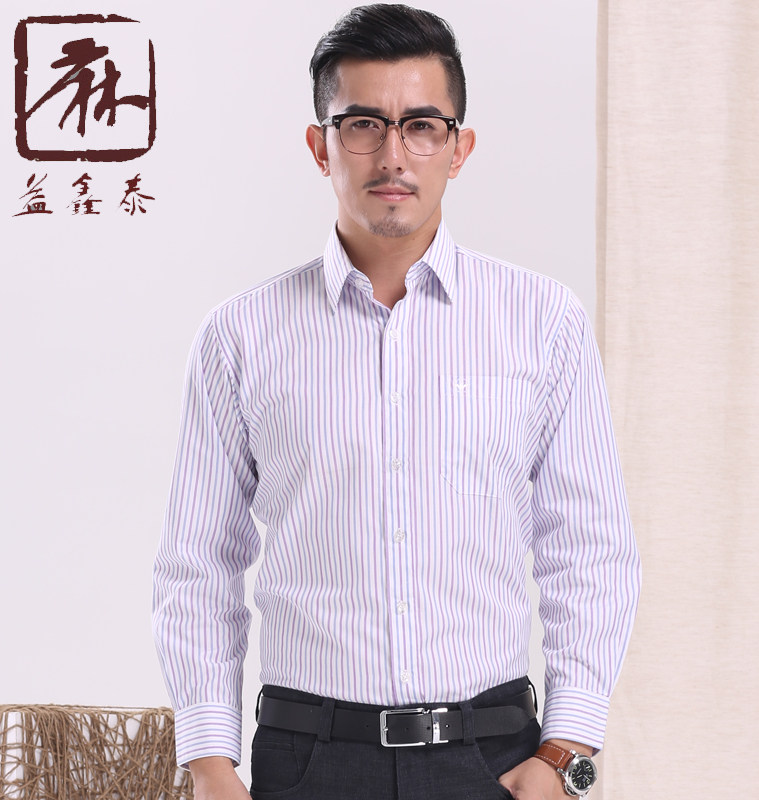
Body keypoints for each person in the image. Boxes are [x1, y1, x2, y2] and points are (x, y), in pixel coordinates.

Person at [152, 5, 641, 799]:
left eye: (420, 126)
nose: (392, 155)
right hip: (308, 760)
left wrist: (566, 752)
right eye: (362, 125)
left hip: (490, 758)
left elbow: (590, 550)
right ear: (320, 146)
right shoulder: (240, 336)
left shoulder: (543, 322)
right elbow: (197, 563)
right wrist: (209, 764)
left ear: (458, 148)